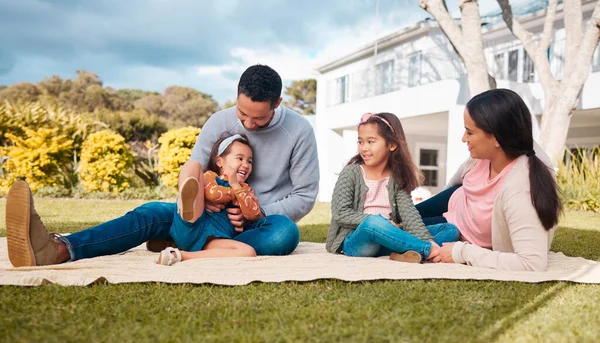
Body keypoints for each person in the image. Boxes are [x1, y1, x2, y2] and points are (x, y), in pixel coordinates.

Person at [5, 64, 319, 267]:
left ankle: (190, 242)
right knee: (150, 212)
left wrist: (257, 211)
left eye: (259, 118)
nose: (248, 124)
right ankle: (59, 249)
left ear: (277, 104)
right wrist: (204, 197)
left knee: (284, 234)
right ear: (235, 96)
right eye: (241, 113)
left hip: (257, 221)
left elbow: (304, 196)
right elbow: (195, 169)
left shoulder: (299, 130)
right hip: (207, 210)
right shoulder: (218, 121)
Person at [417, 88, 561, 271]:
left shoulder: (521, 190)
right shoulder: (486, 154)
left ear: (496, 138)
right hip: (454, 200)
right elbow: (457, 178)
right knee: (397, 218)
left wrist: (461, 252)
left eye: (469, 132)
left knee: (393, 233)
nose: (463, 138)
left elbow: (532, 263)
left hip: (457, 229)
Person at [325, 112, 460, 262]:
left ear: (392, 144)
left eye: (371, 142)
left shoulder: (396, 177)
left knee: (449, 230)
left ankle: (405, 252)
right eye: (360, 142)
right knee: (374, 222)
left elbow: (409, 214)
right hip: (357, 241)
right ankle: (425, 250)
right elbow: (340, 213)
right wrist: (383, 222)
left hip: (389, 238)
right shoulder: (351, 172)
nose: (363, 148)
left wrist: (428, 239)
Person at [157, 133, 260, 266]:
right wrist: (236, 193)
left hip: (212, 240)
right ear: (219, 161)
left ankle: (179, 254)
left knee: (248, 252)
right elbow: (212, 194)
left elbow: (253, 213)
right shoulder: (210, 177)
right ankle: (187, 205)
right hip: (194, 222)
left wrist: (235, 185)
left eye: (249, 161)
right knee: (193, 165)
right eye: (239, 158)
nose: (245, 165)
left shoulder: (246, 189)